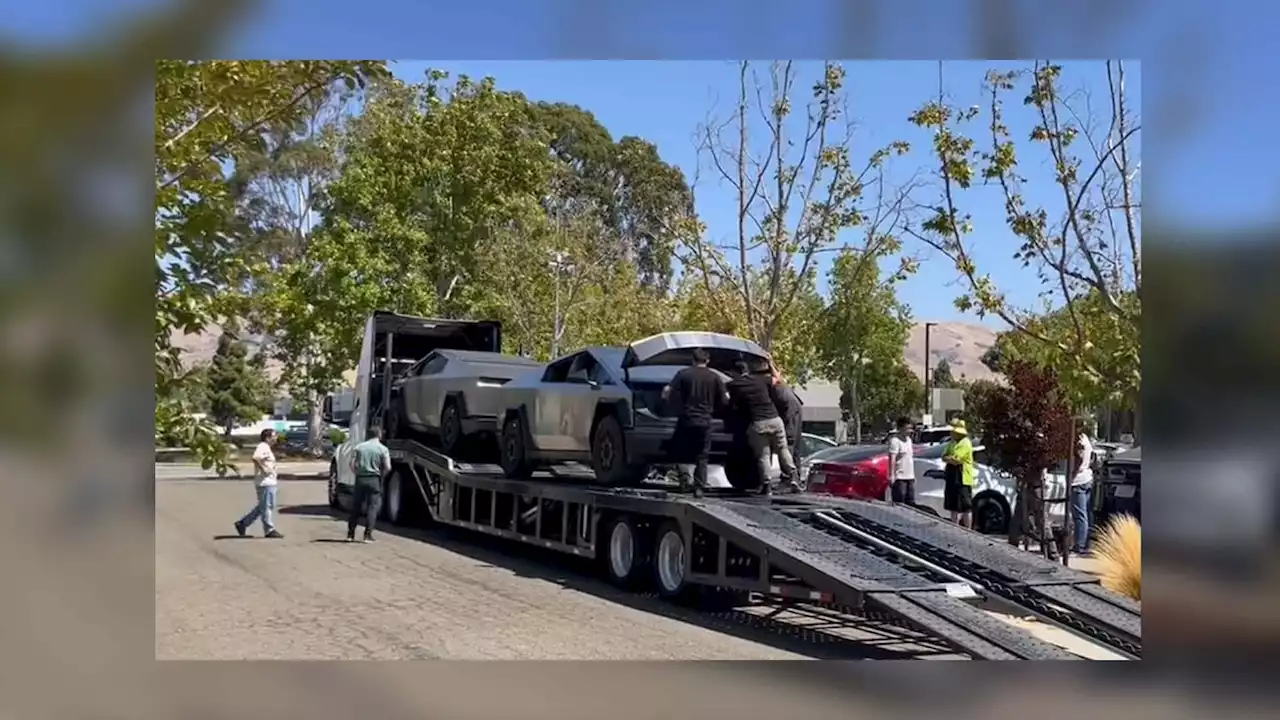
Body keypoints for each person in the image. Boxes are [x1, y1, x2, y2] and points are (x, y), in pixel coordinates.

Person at [662, 347, 729, 496]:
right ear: (708, 361)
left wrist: (671, 404)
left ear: (692, 359)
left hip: (686, 419)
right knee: (702, 454)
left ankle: (685, 481)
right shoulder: (715, 377)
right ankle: (699, 487)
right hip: (705, 421)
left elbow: (667, 391)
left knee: (678, 451)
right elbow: (726, 399)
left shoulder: (683, 374)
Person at [727, 359, 798, 495]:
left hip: (758, 423)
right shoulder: (761, 380)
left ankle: (767, 485)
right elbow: (777, 379)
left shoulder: (734, 385)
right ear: (746, 370)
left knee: (763, 455)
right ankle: (793, 476)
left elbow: (731, 403)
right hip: (775, 420)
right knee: (783, 449)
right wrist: (770, 363)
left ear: (734, 372)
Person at [233, 429, 285, 539]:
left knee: (263, 506)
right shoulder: (263, 446)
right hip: (265, 482)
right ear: (267, 437)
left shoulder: (266, 448)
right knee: (266, 506)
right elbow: (256, 458)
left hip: (269, 481)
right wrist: (264, 469)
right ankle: (269, 530)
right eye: (274, 436)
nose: (276, 438)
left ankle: (243, 523)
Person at [348, 424, 392, 543]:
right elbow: (388, 467)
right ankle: (367, 535)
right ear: (379, 435)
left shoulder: (359, 447)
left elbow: (352, 464)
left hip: (361, 478)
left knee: (356, 506)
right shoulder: (383, 449)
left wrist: (357, 473)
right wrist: (381, 476)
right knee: (372, 507)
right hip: (374, 479)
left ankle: (350, 534)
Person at [941, 419, 976, 528]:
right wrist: (949, 458)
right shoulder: (952, 443)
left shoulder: (965, 443)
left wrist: (950, 458)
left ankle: (968, 530)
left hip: (962, 477)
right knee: (953, 506)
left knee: (965, 506)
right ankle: (954, 527)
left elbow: (957, 460)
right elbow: (944, 456)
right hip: (952, 477)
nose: (951, 433)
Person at [1070, 419, 1098, 555]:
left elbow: (1079, 458)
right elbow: (1091, 458)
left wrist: (1072, 474)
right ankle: (1086, 544)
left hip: (1078, 481)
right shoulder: (1085, 439)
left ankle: (1079, 545)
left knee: (1080, 515)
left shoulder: (1078, 441)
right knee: (1087, 513)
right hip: (1087, 478)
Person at [770, 366, 805, 465]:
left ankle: (789, 475)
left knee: (789, 442)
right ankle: (794, 475)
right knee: (794, 443)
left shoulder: (770, 381)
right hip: (793, 405)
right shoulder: (779, 384)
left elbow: (776, 376)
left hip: (790, 408)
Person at [888, 417, 915, 504]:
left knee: (910, 502)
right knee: (900, 502)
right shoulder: (895, 441)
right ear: (900, 428)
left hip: (910, 477)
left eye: (911, 428)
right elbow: (892, 458)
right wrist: (891, 475)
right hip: (899, 478)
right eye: (907, 428)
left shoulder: (909, 440)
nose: (910, 431)